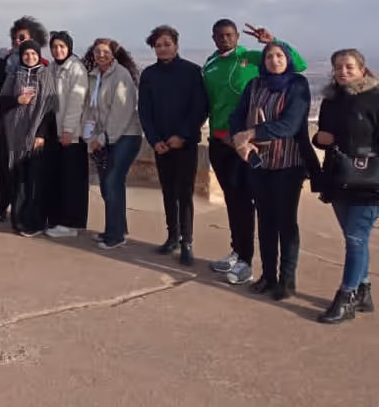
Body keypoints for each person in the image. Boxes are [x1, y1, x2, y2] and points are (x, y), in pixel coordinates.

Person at [203, 19, 307, 285]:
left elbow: (299, 64)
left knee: (255, 206)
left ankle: (251, 264)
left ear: (237, 36)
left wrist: (270, 41)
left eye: (229, 35)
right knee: (234, 202)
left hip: (253, 147)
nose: (225, 39)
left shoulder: (251, 57)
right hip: (221, 141)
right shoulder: (210, 63)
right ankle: (239, 252)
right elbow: (213, 103)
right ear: (214, 38)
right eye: (220, 36)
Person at [229, 42, 315, 301]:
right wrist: (239, 141)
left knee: (286, 223)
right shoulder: (255, 85)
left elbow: (289, 124)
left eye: (279, 56)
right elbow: (237, 116)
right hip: (259, 164)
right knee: (265, 221)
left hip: (287, 164)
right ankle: (268, 276)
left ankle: (287, 281)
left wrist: (252, 133)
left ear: (287, 59)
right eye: (269, 56)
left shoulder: (297, 85)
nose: (274, 60)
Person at [313, 49, 379, 323]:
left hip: (369, 180)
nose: (343, 71)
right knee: (355, 239)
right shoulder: (330, 101)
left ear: (362, 69)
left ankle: (347, 295)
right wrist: (320, 139)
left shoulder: (375, 99)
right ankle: (363, 290)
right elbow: (323, 136)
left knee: (355, 238)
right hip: (338, 177)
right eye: (338, 67)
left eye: (349, 66)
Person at [138, 25, 209, 266]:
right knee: (168, 191)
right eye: (158, 45)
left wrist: (182, 135)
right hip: (161, 145)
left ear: (176, 45)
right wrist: (155, 140)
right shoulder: (148, 75)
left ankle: (187, 241)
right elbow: (145, 111)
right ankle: (172, 237)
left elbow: (199, 108)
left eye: (167, 44)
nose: (163, 48)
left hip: (185, 144)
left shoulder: (192, 72)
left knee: (184, 194)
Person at [81, 38, 142, 250]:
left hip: (126, 135)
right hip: (103, 137)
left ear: (113, 54)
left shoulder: (121, 75)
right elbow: (91, 109)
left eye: (105, 51)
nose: (101, 55)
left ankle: (116, 235)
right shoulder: (94, 76)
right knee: (108, 183)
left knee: (113, 181)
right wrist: (90, 137)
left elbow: (121, 112)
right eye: (97, 51)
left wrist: (104, 138)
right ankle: (115, 228)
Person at [0, 41, 58, 236]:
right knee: (18, 178)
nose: (30, 57)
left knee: (34, 180)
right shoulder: (15, 74)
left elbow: (50, 108)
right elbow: (3, 102)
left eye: (33, 53)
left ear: (39, 55)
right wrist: (17, 100)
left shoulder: (46, 74)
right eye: (26, 54)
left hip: (35, 137)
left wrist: (40, 134)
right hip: (15, 136)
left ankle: (34, 221)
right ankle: (18, 219)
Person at [0, 17, 48, 223]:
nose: (18, 41)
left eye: (22, 38)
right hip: (7, 124)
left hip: (31, 129)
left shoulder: (43, 68)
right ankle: (2, 203)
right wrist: (1, 60)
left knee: (26, 172)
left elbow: (48, 105)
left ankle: (25, 211)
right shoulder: (8, 62)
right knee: (4, 166)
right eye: (15, 38)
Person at [44, 31, 90, 239]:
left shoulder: (76, 68)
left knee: (71, 180)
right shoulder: (52, 68)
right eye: (54, 47)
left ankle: (70, 223)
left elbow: (75, 101)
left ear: (69, 47)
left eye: (62, 46)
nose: (58, 50)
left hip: (69, 134)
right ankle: (56, 219)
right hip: (54, 130)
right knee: (57, 177)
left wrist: (68, 131)